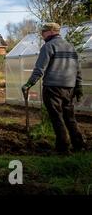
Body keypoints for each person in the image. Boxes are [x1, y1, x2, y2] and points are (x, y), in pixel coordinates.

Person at [22, 22, 85, 153]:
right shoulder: (70, 47)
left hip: (52, 88)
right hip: (69, 87)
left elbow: (39, 69)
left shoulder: (48, 46)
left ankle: (63, 147)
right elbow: (77, 70)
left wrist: (29, 84)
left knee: (57, 117)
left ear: (50, 32)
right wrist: (78, 88)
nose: (42, 35)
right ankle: (79, 145)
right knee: (70, 117)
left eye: (43, 32)